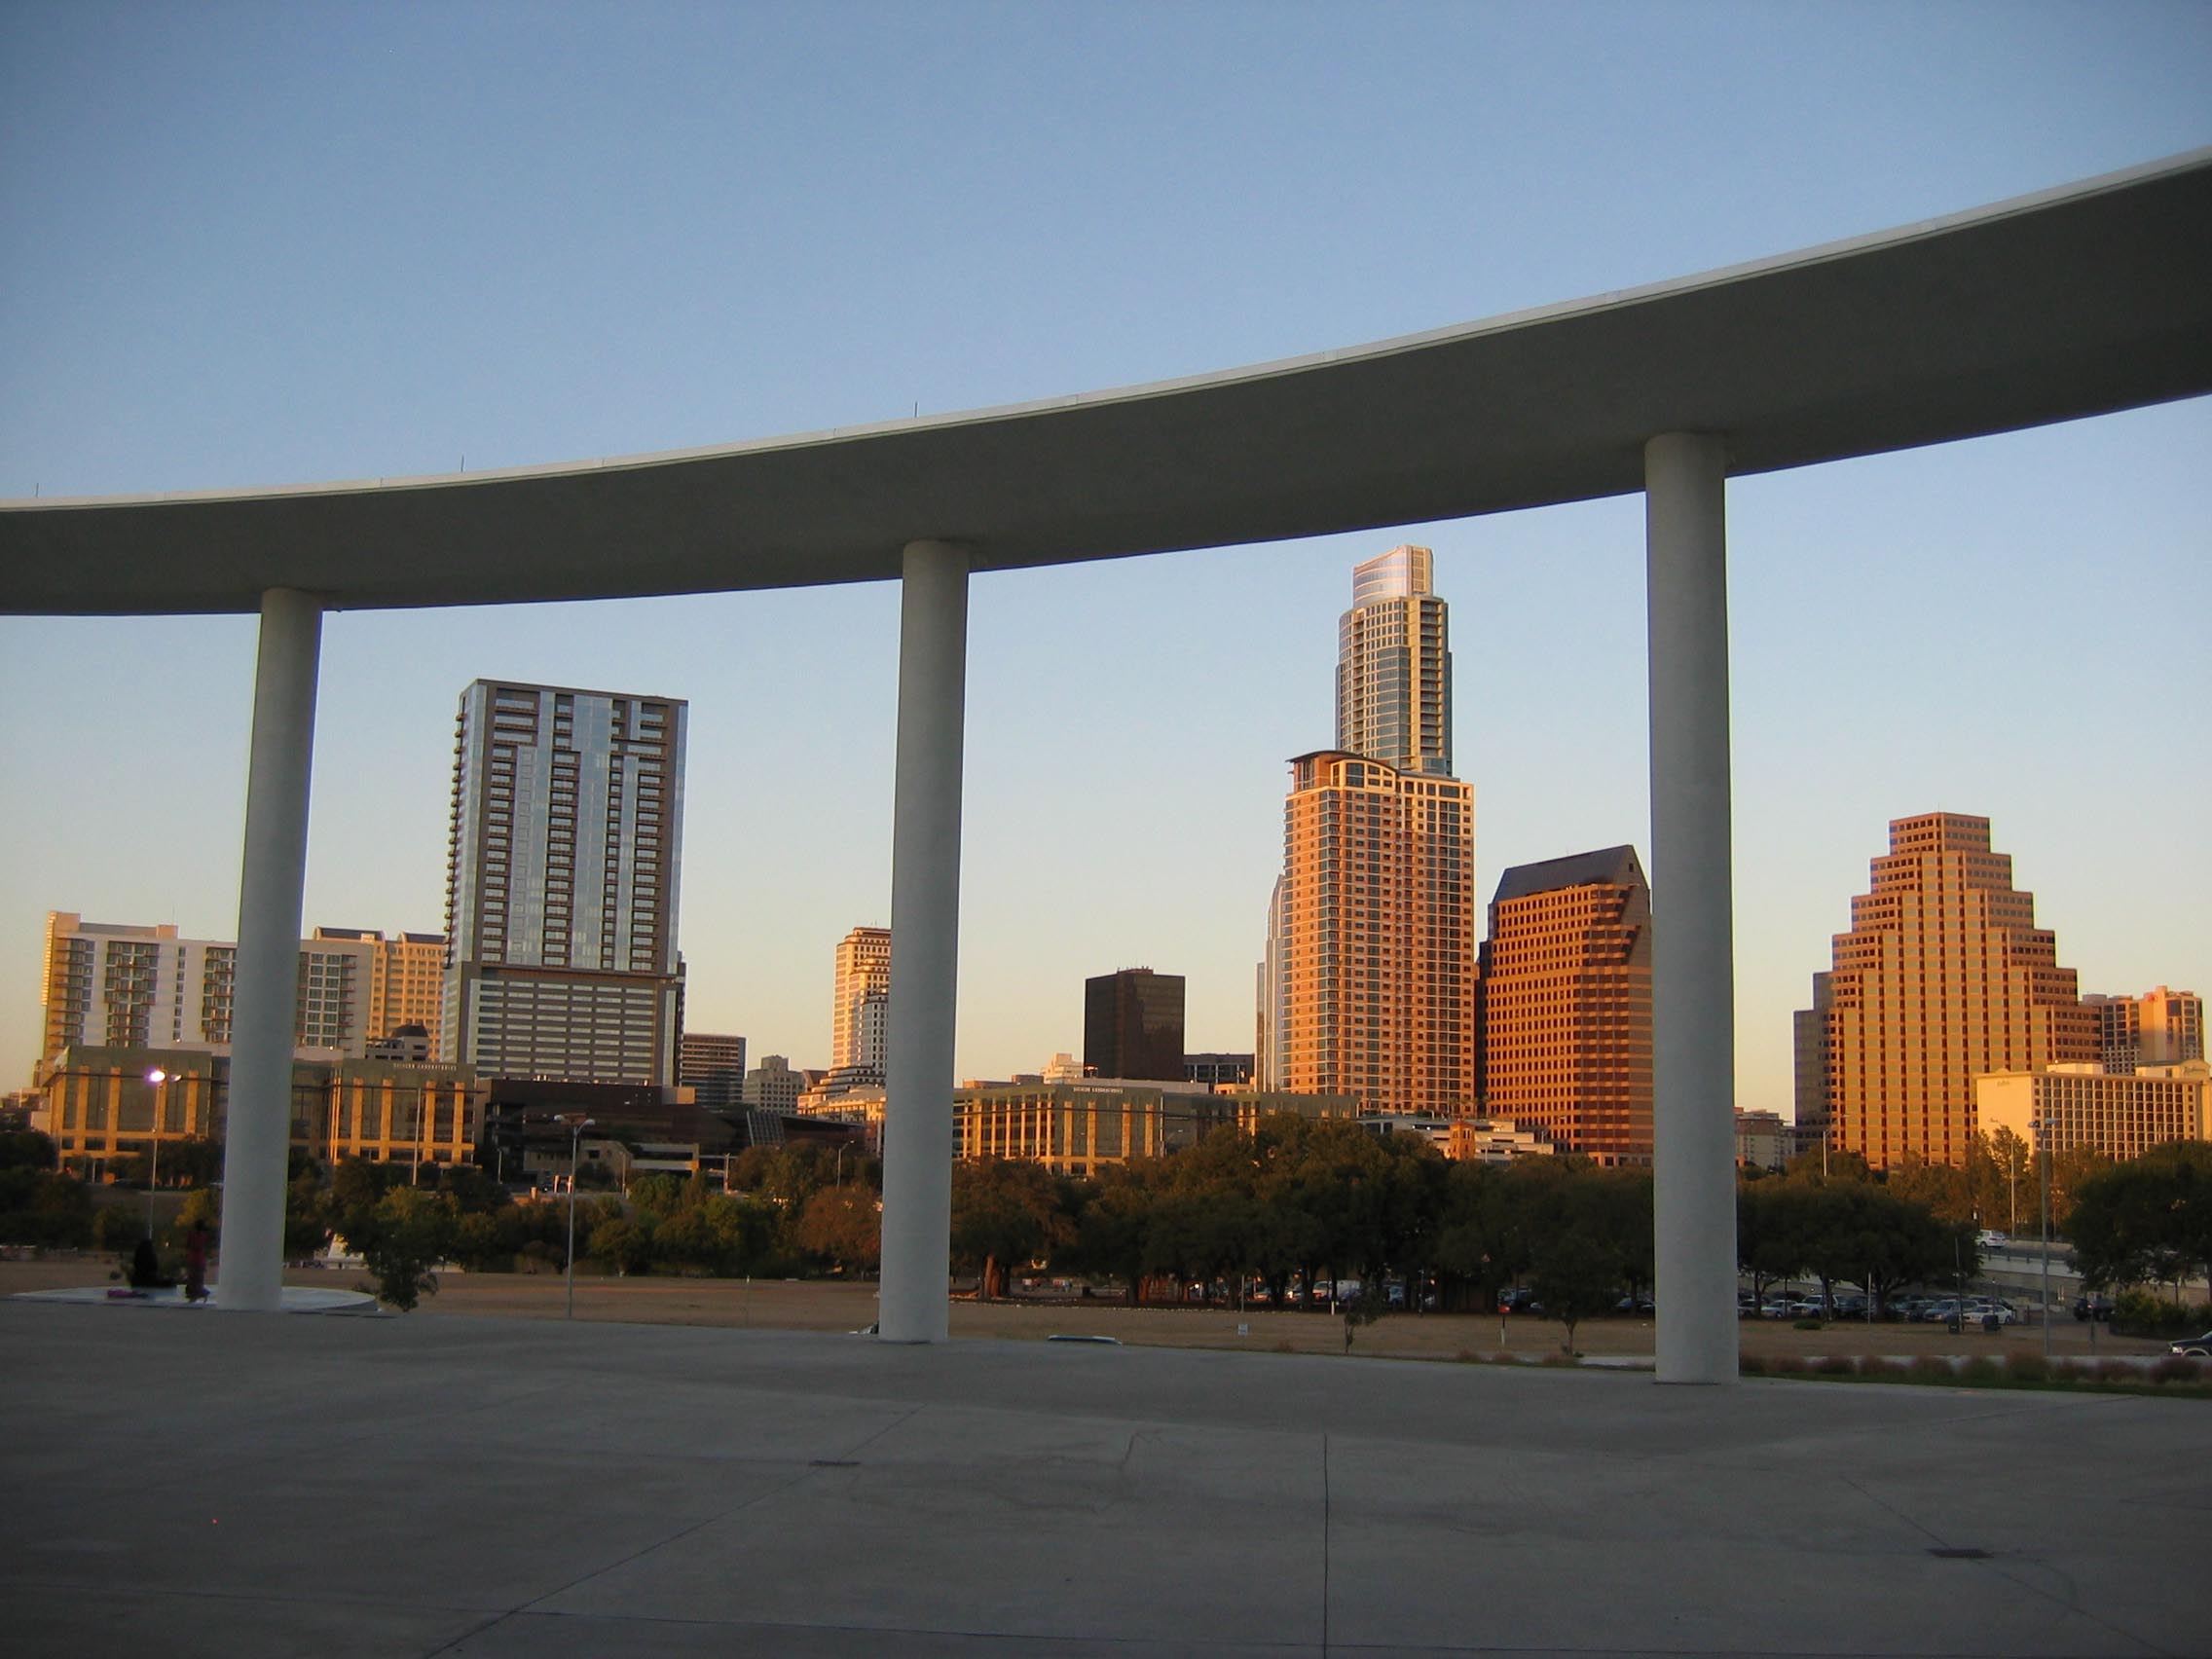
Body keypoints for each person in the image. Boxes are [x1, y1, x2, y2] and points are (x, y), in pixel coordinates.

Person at [184, 1218, 209, 1303]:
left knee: (192, 1278)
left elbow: (187, 1245)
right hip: (200, 1259)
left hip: (192, 1259)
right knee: (198, 1279)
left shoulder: (191, 1235)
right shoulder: (204, 1236)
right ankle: (200, 1294)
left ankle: (194, 1296)